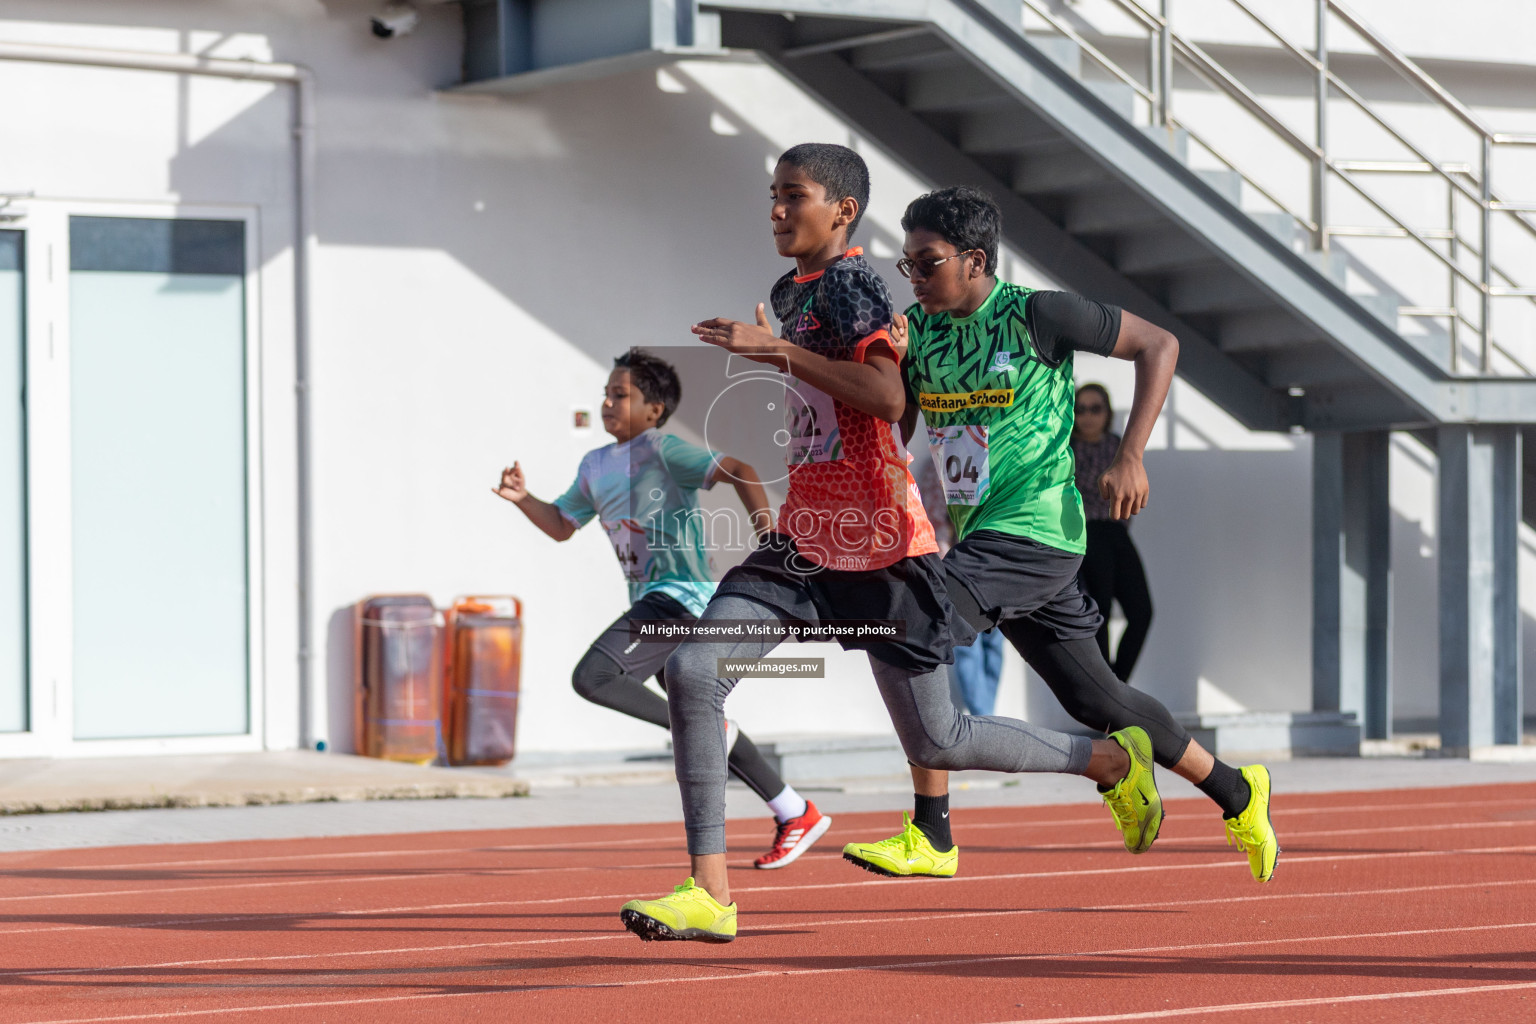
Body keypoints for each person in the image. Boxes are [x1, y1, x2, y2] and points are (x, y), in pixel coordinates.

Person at [617, 144, 1163, 945]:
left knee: (942, 737)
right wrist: (788, 375)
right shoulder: (789, 288)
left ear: (842, 211)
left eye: (790, 195)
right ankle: (710, 893)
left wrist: (781, 354)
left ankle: (1110, 763)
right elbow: (858, 409)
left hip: (880, 548)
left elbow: (884, 395)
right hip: (808, 536)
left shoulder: (860, 283)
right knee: (694, 668)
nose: (773, 209)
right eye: (770, 195)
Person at [841, 186, 1278, 886]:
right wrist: (886, 364)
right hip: (982, 537)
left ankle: (931, 833)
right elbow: (905, 428)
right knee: (1099, 701)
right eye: (908, 266)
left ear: (975, 260)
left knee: (910, 622)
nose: (914, 279)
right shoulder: (918, 332)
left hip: (1038, 530)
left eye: (926, 264)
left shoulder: (1038, 313)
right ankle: (1237, 789)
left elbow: (1158, 344)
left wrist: (1132, 453)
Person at [494, 348, 831, 869]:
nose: (607, 403)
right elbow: (563, 525)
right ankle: (795, 810)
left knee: (596, 675)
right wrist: (523, 499)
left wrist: (769, 535)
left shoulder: (663, 450)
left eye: (620, 395)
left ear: (653, 410)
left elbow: (739, 467)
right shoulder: (594, 465)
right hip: (653, 600)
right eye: (605, 394)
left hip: (682, 597)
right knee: (701, 711)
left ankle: (711, 740)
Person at [1073, 383, 1154, 682]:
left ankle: (1117, 686)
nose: (1088, 416)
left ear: (1107, 412)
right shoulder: (1066, 449)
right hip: (1086, 536)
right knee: (1100, 613)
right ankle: (1107, 692)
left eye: (1095, 408)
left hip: (1117, 533)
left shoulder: (1119, 448)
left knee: (1142, 612)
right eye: (1080, 409)